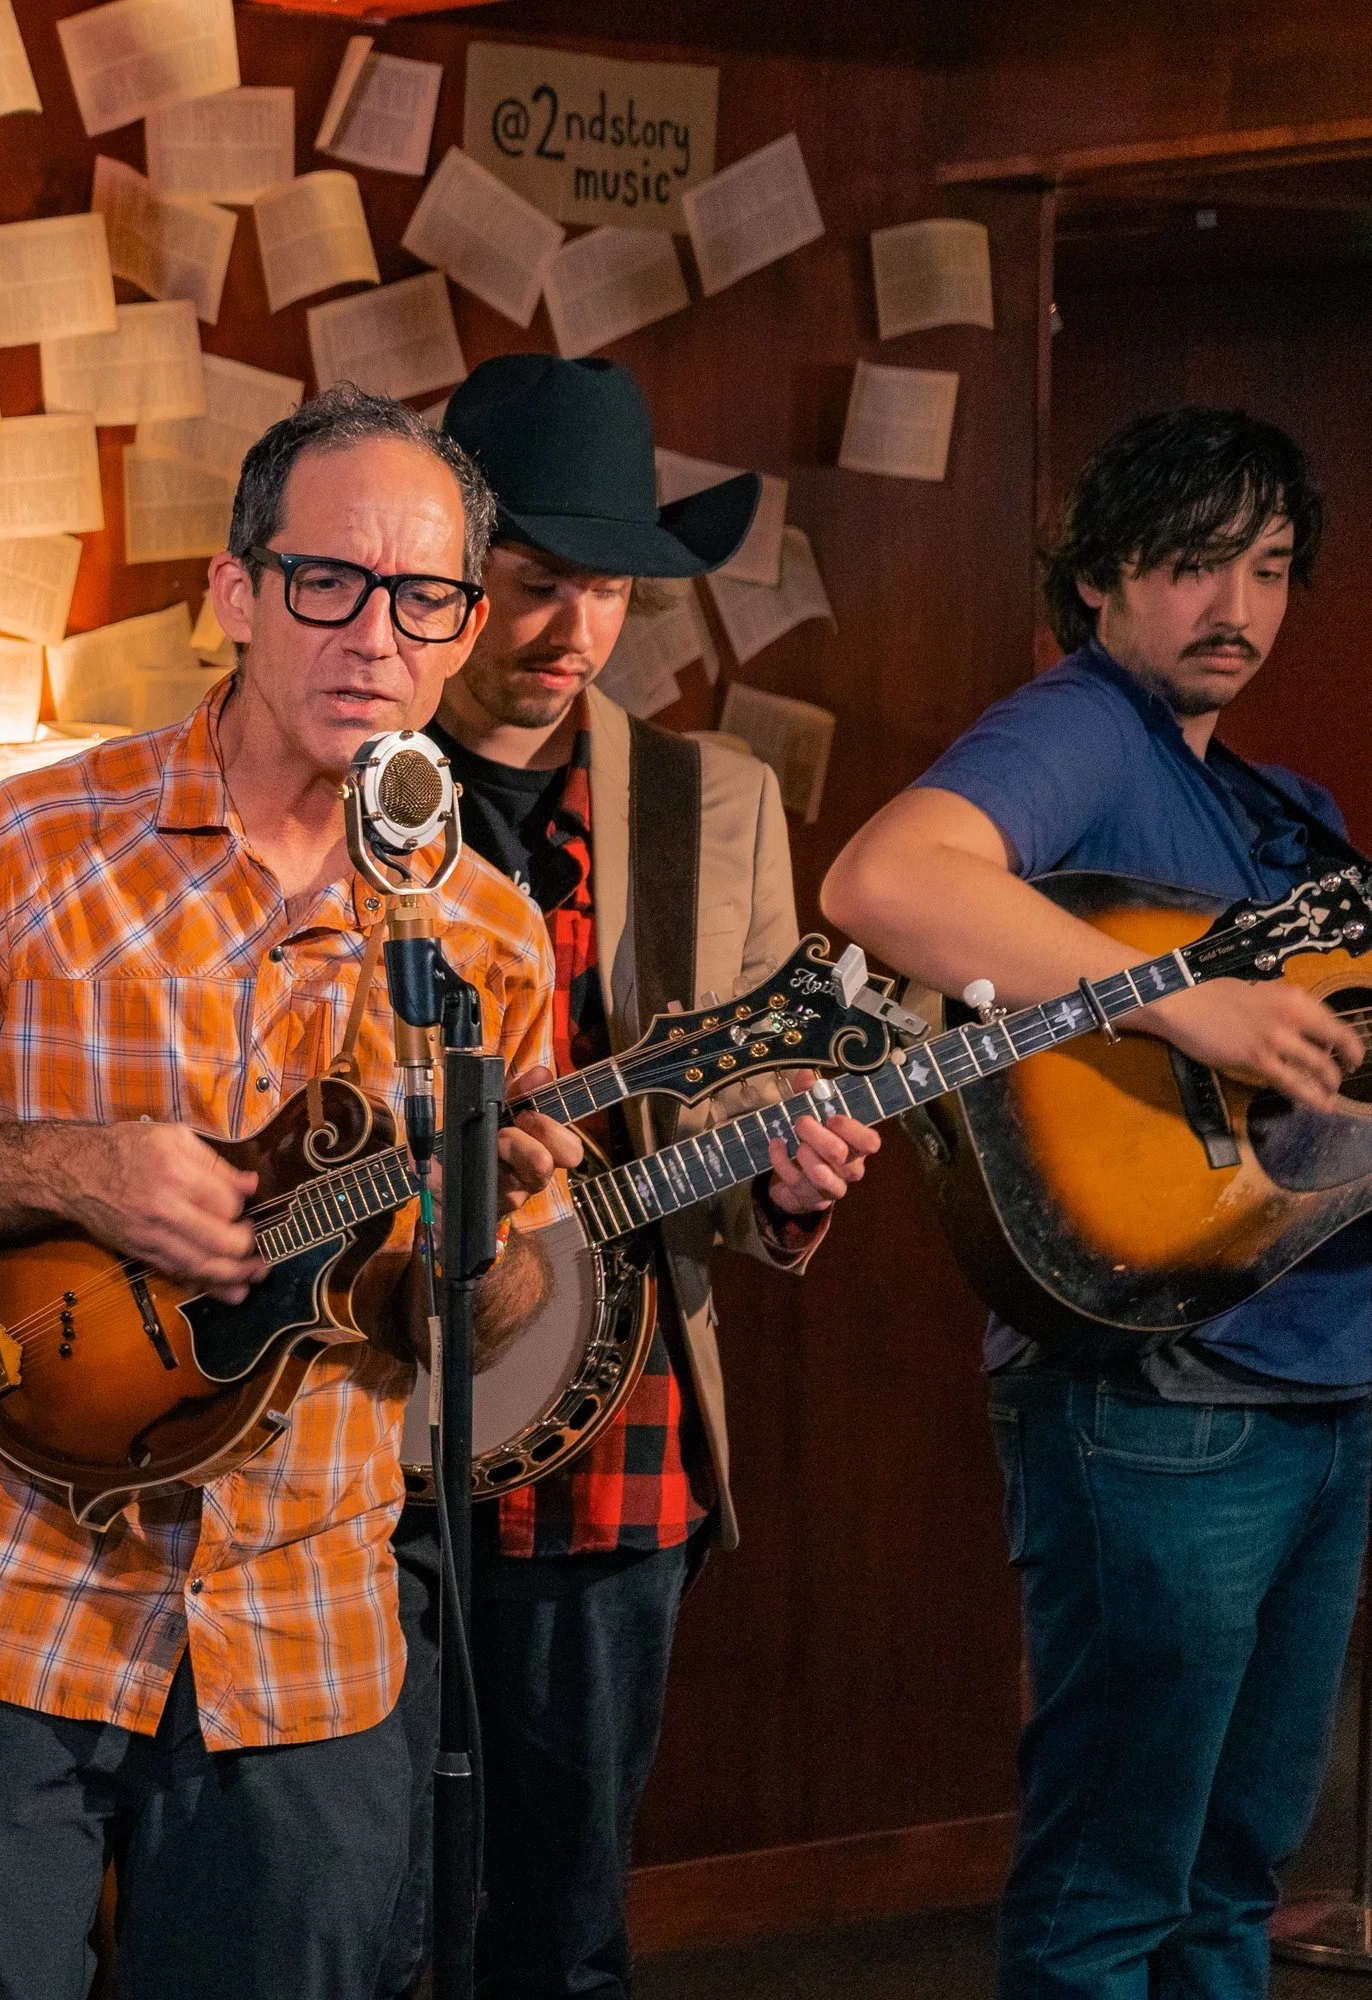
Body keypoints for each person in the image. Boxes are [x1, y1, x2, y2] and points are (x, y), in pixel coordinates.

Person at [0, 385, 585, 2000]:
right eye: (329, 582)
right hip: (1, 1603)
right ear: (234, 596)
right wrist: (66, 1168)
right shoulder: (36, 842)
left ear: (459, 637)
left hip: (304, 1639)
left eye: (425, 597)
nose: (375, 634)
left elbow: (488, 1320)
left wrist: (479, 1240)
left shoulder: (493, 937)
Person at [823, 406, 1366, 1999]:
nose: (1238, 610)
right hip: (1162, 1397)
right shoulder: (1082, 730)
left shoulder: (1271, 810)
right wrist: (1183, 1005)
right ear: (1105, 578)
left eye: (1268, 569)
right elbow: (887, 880)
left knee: (1228, 1881)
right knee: (1120, 1887)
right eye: (1195, 563)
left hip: (1315, 1378)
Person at [382, 353, 878, 2000]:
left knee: (569, 1917)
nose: (570, 635)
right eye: (531, 588)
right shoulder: (343, 784)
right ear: (445, 574)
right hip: (360, 1410)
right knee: (369, 1911)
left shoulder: (712, 801)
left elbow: (746, 1116)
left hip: (620, 1425)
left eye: (605, 595)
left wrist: (792, 1176)